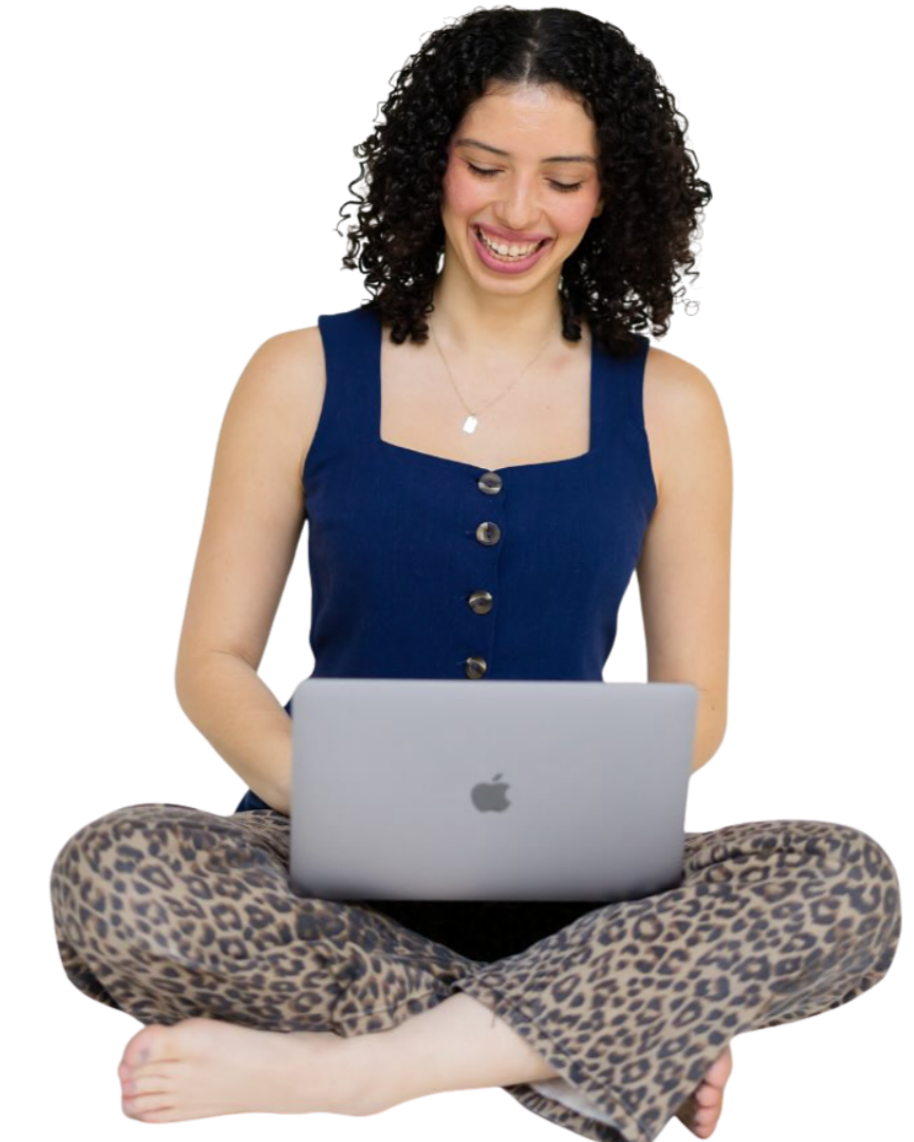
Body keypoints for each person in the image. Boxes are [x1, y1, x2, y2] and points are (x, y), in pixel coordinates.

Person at [47, 7, 901, 1137]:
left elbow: (694, 709)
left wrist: (568, 814)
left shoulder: (675, 404)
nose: (514, 211)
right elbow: (210, 662)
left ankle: (360, 1072)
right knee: (109, 873)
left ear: (610, 196)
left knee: (849, 879)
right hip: (322, 860)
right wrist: (334, 797)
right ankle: (606, 1039)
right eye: (484, 167)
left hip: (581, 880)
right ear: (429, 165)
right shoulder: (293, 372)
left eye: (562, 180)